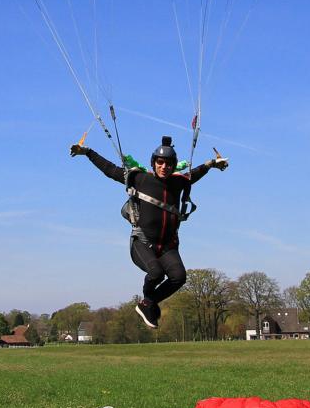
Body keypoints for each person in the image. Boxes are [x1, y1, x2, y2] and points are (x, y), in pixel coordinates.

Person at [70, 135, 227, 329]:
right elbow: (110, 170)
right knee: (156, 273)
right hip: (142, 243)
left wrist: (212, 164)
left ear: (173, 165)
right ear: (153, 163)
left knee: (179, 277)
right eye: (160, 162)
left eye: (168, 163)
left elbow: (195, 173)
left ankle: (147, 303)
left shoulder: (179, 182)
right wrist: (88, 152)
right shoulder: (140, 179)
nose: (164, 167)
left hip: (168, 246)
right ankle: (148, 303)